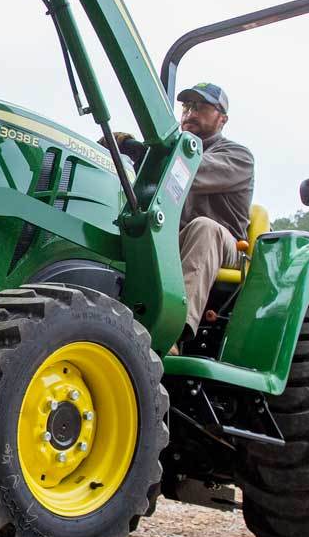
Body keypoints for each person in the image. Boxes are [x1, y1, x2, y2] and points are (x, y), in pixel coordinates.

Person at [109, 82, 255, 343]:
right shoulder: (172, 153)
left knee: (204, 227)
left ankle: (172, 333)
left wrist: (142, 152)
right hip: (173, 240)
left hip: (226, 247)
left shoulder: (237, 156)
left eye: (200, 107)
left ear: (223, 119)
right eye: (187, 106)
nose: (190, 112)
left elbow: (185, 173)